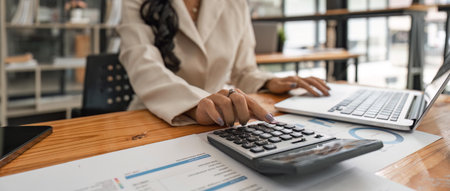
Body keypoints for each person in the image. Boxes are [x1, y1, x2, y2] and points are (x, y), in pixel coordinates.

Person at [118, 0, 330, 127]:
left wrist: (271, 81)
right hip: (155, 117)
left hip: (219, 120)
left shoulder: (236, 3)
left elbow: (244, 70)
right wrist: (194, 103)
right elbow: (142, 64)